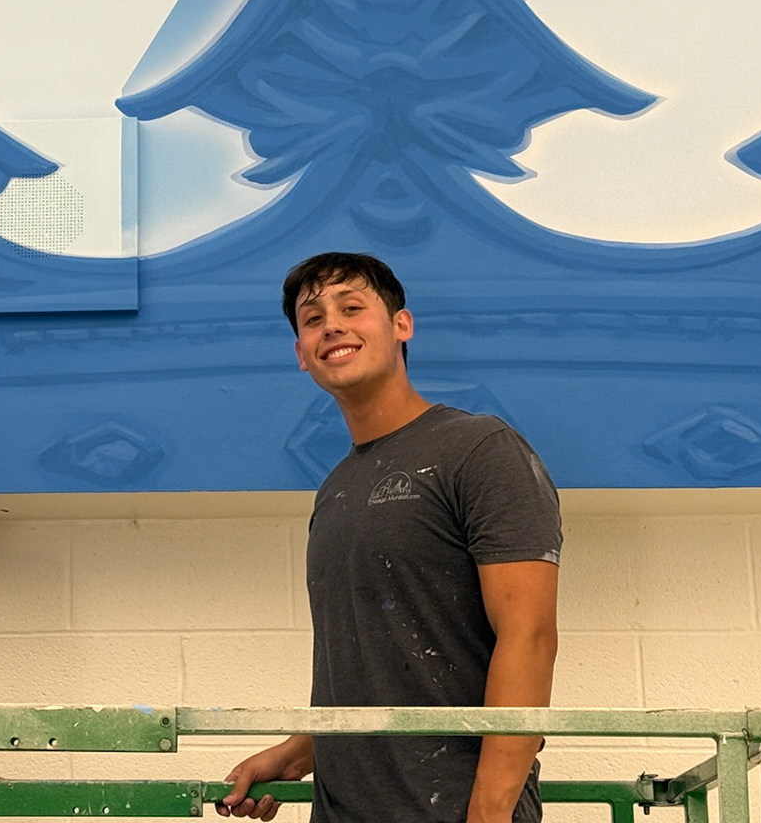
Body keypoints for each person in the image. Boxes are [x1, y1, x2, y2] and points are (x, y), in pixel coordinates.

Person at [218, 253, 562, 823]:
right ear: (301, 356)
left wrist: (488, 813)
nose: (331, 325)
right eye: (312, 319)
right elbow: (385, 674)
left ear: (402, 325)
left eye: (352, 308)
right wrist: (295, 753)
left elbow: (529, 637)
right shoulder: (334, 489)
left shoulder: (480, 449)